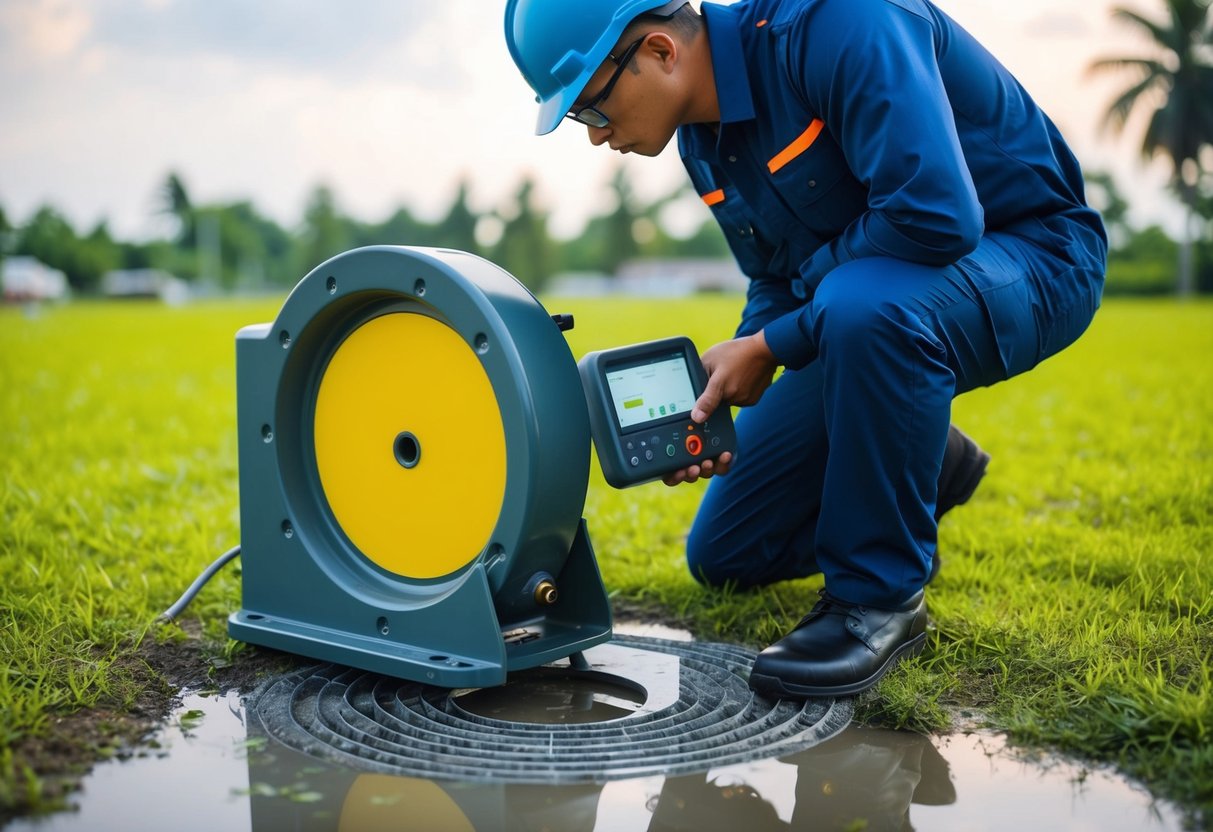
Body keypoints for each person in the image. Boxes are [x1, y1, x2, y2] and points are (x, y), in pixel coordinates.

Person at [503, 0, 1106, 698]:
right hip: (873, 306)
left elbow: (935, 215)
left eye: (589, 108)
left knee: (861, 308)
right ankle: (920, 454)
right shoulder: (703, 140)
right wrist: (742, 357)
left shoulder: (841, 23)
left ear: (660, 52)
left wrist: (774, 341)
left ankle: (877, 600)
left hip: (1032, 256)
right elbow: (775, 276)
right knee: (725, 552)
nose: (595, 136)